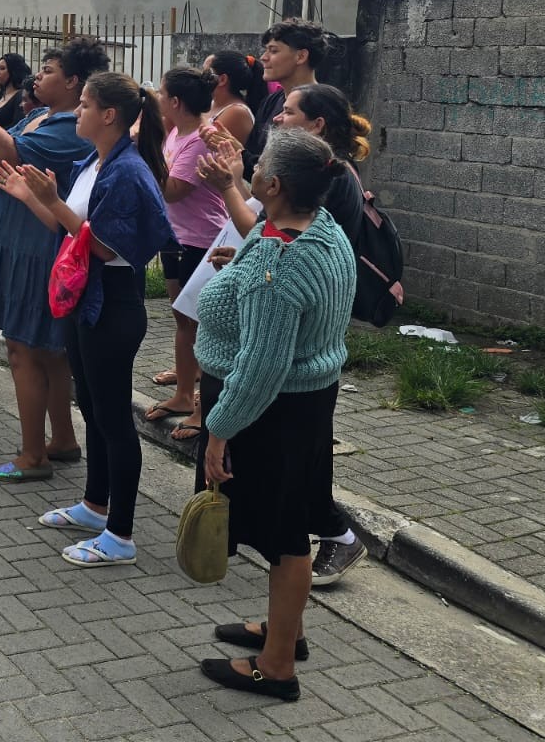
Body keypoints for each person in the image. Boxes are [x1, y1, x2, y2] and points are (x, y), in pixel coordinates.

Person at [192, 130, 356, 701]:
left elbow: (261, 367)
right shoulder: (322, 230)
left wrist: (217, 432)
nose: (251, 171)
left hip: (270, 415)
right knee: (292, 522)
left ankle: (278, 666)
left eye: (256, 166)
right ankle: (288, 630)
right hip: (307, 407)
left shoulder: (279, 262)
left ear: (275, 185)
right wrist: (242, 264)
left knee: (284, 536)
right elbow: (267, 254)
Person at [0, 72, 174, 567]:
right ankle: (96, 506)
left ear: (109, 115)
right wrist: (29, 196)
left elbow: (102, 245)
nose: (79, 114)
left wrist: (50, 200)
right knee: (92, 409)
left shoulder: (128, 171)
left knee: (115, 420)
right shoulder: (95, 163)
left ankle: (121, 534)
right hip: (85, 303)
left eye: (87, 105)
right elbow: (65, 226)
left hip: (113, 305)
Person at [0, 40, 110, 482]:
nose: (37, 76)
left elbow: (2, 151)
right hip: (15, 245)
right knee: (47, 353)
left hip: (36, 251)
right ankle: (61, 439)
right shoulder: (38, 114)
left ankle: (32, 454)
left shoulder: (67, 127)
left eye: (49, 69)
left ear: (75, 82)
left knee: (24, 351)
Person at [146, 67, 231, 443]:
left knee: (204, 323)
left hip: (203, 241)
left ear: (176, 102)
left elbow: (174, 189)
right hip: (175, 237)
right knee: (182, 317)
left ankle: (202, 406)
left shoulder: (200, 138)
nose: (159, 98)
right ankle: (184, 392)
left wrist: (142, 159)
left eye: (163, 93)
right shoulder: (176, 132)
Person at [245, 19, 329, 175]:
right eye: (266, 50)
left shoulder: (325, 105)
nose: (263, 57)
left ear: (301, 56)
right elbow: (257, 157)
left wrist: (239, 154)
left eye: (274, 51)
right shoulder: (271, 101)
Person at [203, 50, 266, 149]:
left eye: (206, 73)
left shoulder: (236, 112)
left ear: (222, 79)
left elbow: (202, 146)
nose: (201, 77)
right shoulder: (213, 103)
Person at [0, 53, 32, 130]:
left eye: (2, 68)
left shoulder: (20, 96)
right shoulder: (2, 95)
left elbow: (18, 126)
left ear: (13, 71)